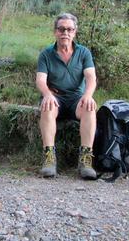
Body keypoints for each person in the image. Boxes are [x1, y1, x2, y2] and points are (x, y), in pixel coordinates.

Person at [36, 13, 97, 179]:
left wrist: (88, 95)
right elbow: (40, 80)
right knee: (47, 106)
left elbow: (91, 77)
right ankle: (49, 159)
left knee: (90, 107)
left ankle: (85, 160)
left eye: (69, 29)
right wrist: (47, 94)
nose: (65, 33)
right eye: (61, 29)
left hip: (76, 98)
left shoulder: (83, 53)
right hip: (56, 98)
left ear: (75, 32)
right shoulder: (46, 54)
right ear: (55, 32)